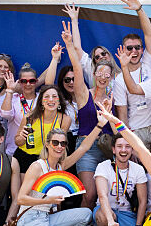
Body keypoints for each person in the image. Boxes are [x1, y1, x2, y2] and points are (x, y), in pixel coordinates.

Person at [9, 115, 109, 226]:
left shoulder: (60, 166)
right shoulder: (37, 167)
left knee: (86, 214)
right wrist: (47, 200)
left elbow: (83, 148)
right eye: (55, 142)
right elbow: (21, 199)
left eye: (63, 143)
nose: (59, 146)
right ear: (48, 144)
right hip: (30, 221)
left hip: (47, 219)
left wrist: (100, 125)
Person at [61, 22, 117, 209]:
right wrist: (69, 45)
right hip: (87, 148)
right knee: (90, 194)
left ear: (110, 77)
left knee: (107, 195)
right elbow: (77, 69)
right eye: (99, 73)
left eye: (107, 74)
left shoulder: (113, 98)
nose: (103, 77)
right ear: (93, 74)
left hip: (109, 147)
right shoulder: (84, 94)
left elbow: (118, 127)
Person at [110, 0, 151, 145]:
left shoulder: (148, 62)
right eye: (129, 48)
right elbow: (122, 113)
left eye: (137, 47)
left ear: (142, 49)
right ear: (123, 50)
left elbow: (149, 34)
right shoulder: (119, 80)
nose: (134, 51)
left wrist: (139, 9)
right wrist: (127, 139)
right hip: (136, 132)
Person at [93, 133, 148, 226]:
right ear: (113, 149)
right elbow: (102, 196)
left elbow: (142, 200)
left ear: (132, 149)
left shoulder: (138, 169)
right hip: (107, 210)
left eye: (127, 146)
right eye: (119, 146)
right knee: (105, 216)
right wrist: (110, 220)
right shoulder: (103, 166)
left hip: (126, 212)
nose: (123, 150)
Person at [0, 55, 59, 156]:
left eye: (32, 81)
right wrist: (9, 90)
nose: (28, 84)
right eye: (24, 81)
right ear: (19, 82)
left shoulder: (43, 99)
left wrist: (55, 59)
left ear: (36, 82)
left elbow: (49, 83)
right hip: (15, 150)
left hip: (40, 152)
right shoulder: (13, 98)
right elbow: (5, 115)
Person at [13, 85, 71, 179]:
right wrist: (22, 137)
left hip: (47, 160)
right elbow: (17, 142)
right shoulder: (30, 117)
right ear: (41, 102)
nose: (51, 100)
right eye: (46, 97)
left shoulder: (65, 119)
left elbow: (59, 145)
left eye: (54, 96)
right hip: (25, 157)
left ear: (59, 101)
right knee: (25, 192)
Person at [62, 2, 120, 87]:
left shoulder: (121, 75)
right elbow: (77, 48)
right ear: (95, 61)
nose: (101, 57)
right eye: (97, 57)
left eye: (103, 53)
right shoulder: (91, 71)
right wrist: (74, 20)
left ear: (109, 54)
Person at [57, 65, 79, 153]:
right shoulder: (59, 101)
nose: (71, 82)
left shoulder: (87, 98)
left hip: (85, 140)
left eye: (74, 79)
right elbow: (48, 83)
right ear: (62, 82)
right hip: (68, 142)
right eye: (67, 80)